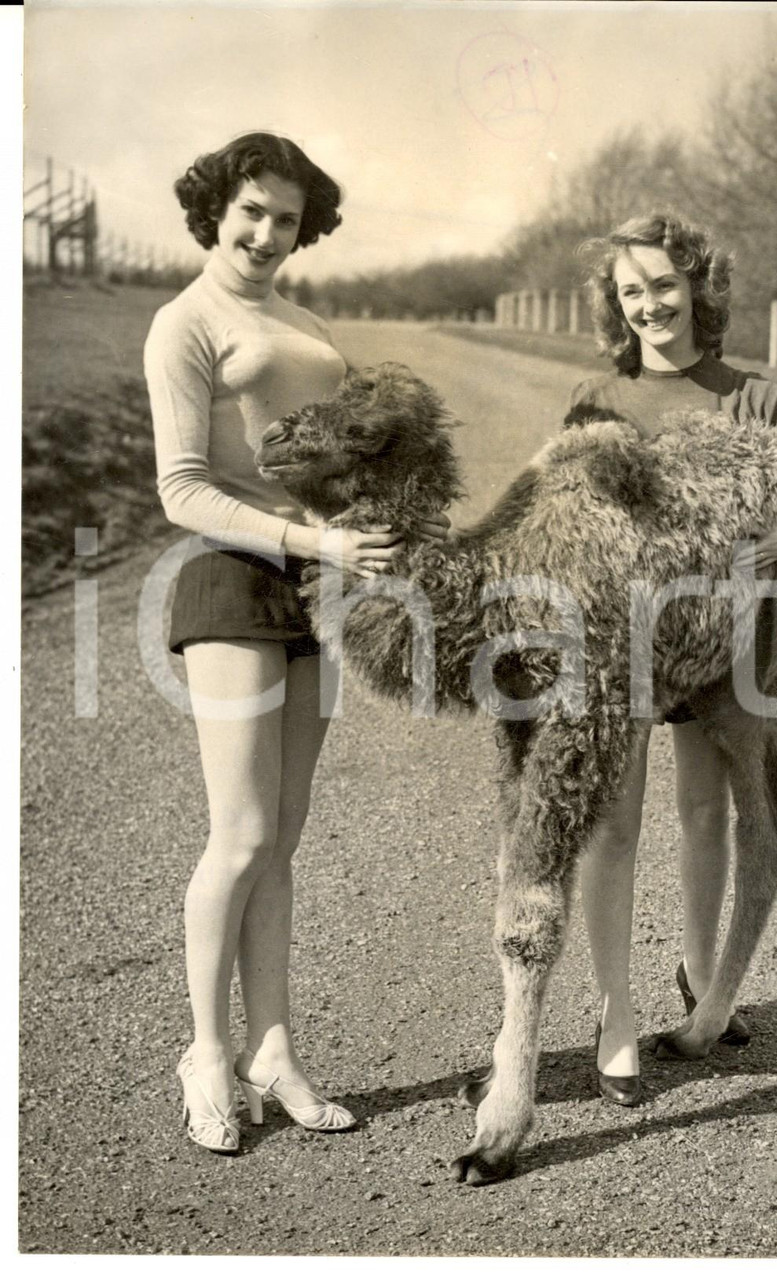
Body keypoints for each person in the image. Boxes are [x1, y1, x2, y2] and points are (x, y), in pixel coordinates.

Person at [144, 132, 448, 1154]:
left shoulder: (304, 321)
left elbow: (351, 451)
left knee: (282, 838)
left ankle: (273, 1050)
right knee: (236, 834)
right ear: (215, 209)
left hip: (319, 587)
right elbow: (182, 487)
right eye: (252, 212)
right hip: (236, 577)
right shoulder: (184, 322)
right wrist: (306, 535)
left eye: (285, 216)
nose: (268, 232)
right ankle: (205, 1052)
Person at [572, 213, 777, 1106]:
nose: (651, 304)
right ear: (616, 307)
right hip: (626, 635)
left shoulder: (756, 398)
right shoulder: (599, 400)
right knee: (613, 824)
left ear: (699, 286)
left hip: (725, 641)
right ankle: (615, 1016)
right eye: (633, 292)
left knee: (707, 810)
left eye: (664, 284)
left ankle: (705, 985)